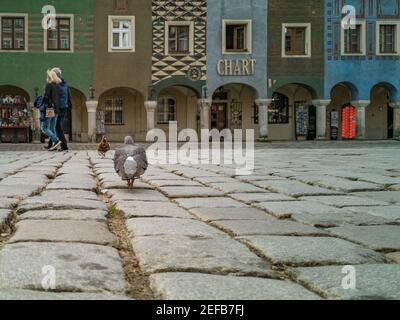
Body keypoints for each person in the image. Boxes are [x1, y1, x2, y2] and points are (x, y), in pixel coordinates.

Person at [45, 67, 70, 152]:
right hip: (64, 107)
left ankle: (64, 145)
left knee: (57, 126)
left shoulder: (56, 84)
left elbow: (54, 96)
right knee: (54, 126)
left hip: (58, 107)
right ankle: (51, 145)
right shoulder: (65, 83)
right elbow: (69, 95)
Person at [41, 70, 62, 151]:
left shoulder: (49, 85)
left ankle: (56, 140)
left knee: (44, 128)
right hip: (56, 109)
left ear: (50, 77)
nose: (46, 77)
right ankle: (56, 146)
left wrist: (42, 103)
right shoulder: (57, 86)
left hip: (49, 109)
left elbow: (46, 98)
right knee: (52, 129)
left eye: (47, 76)